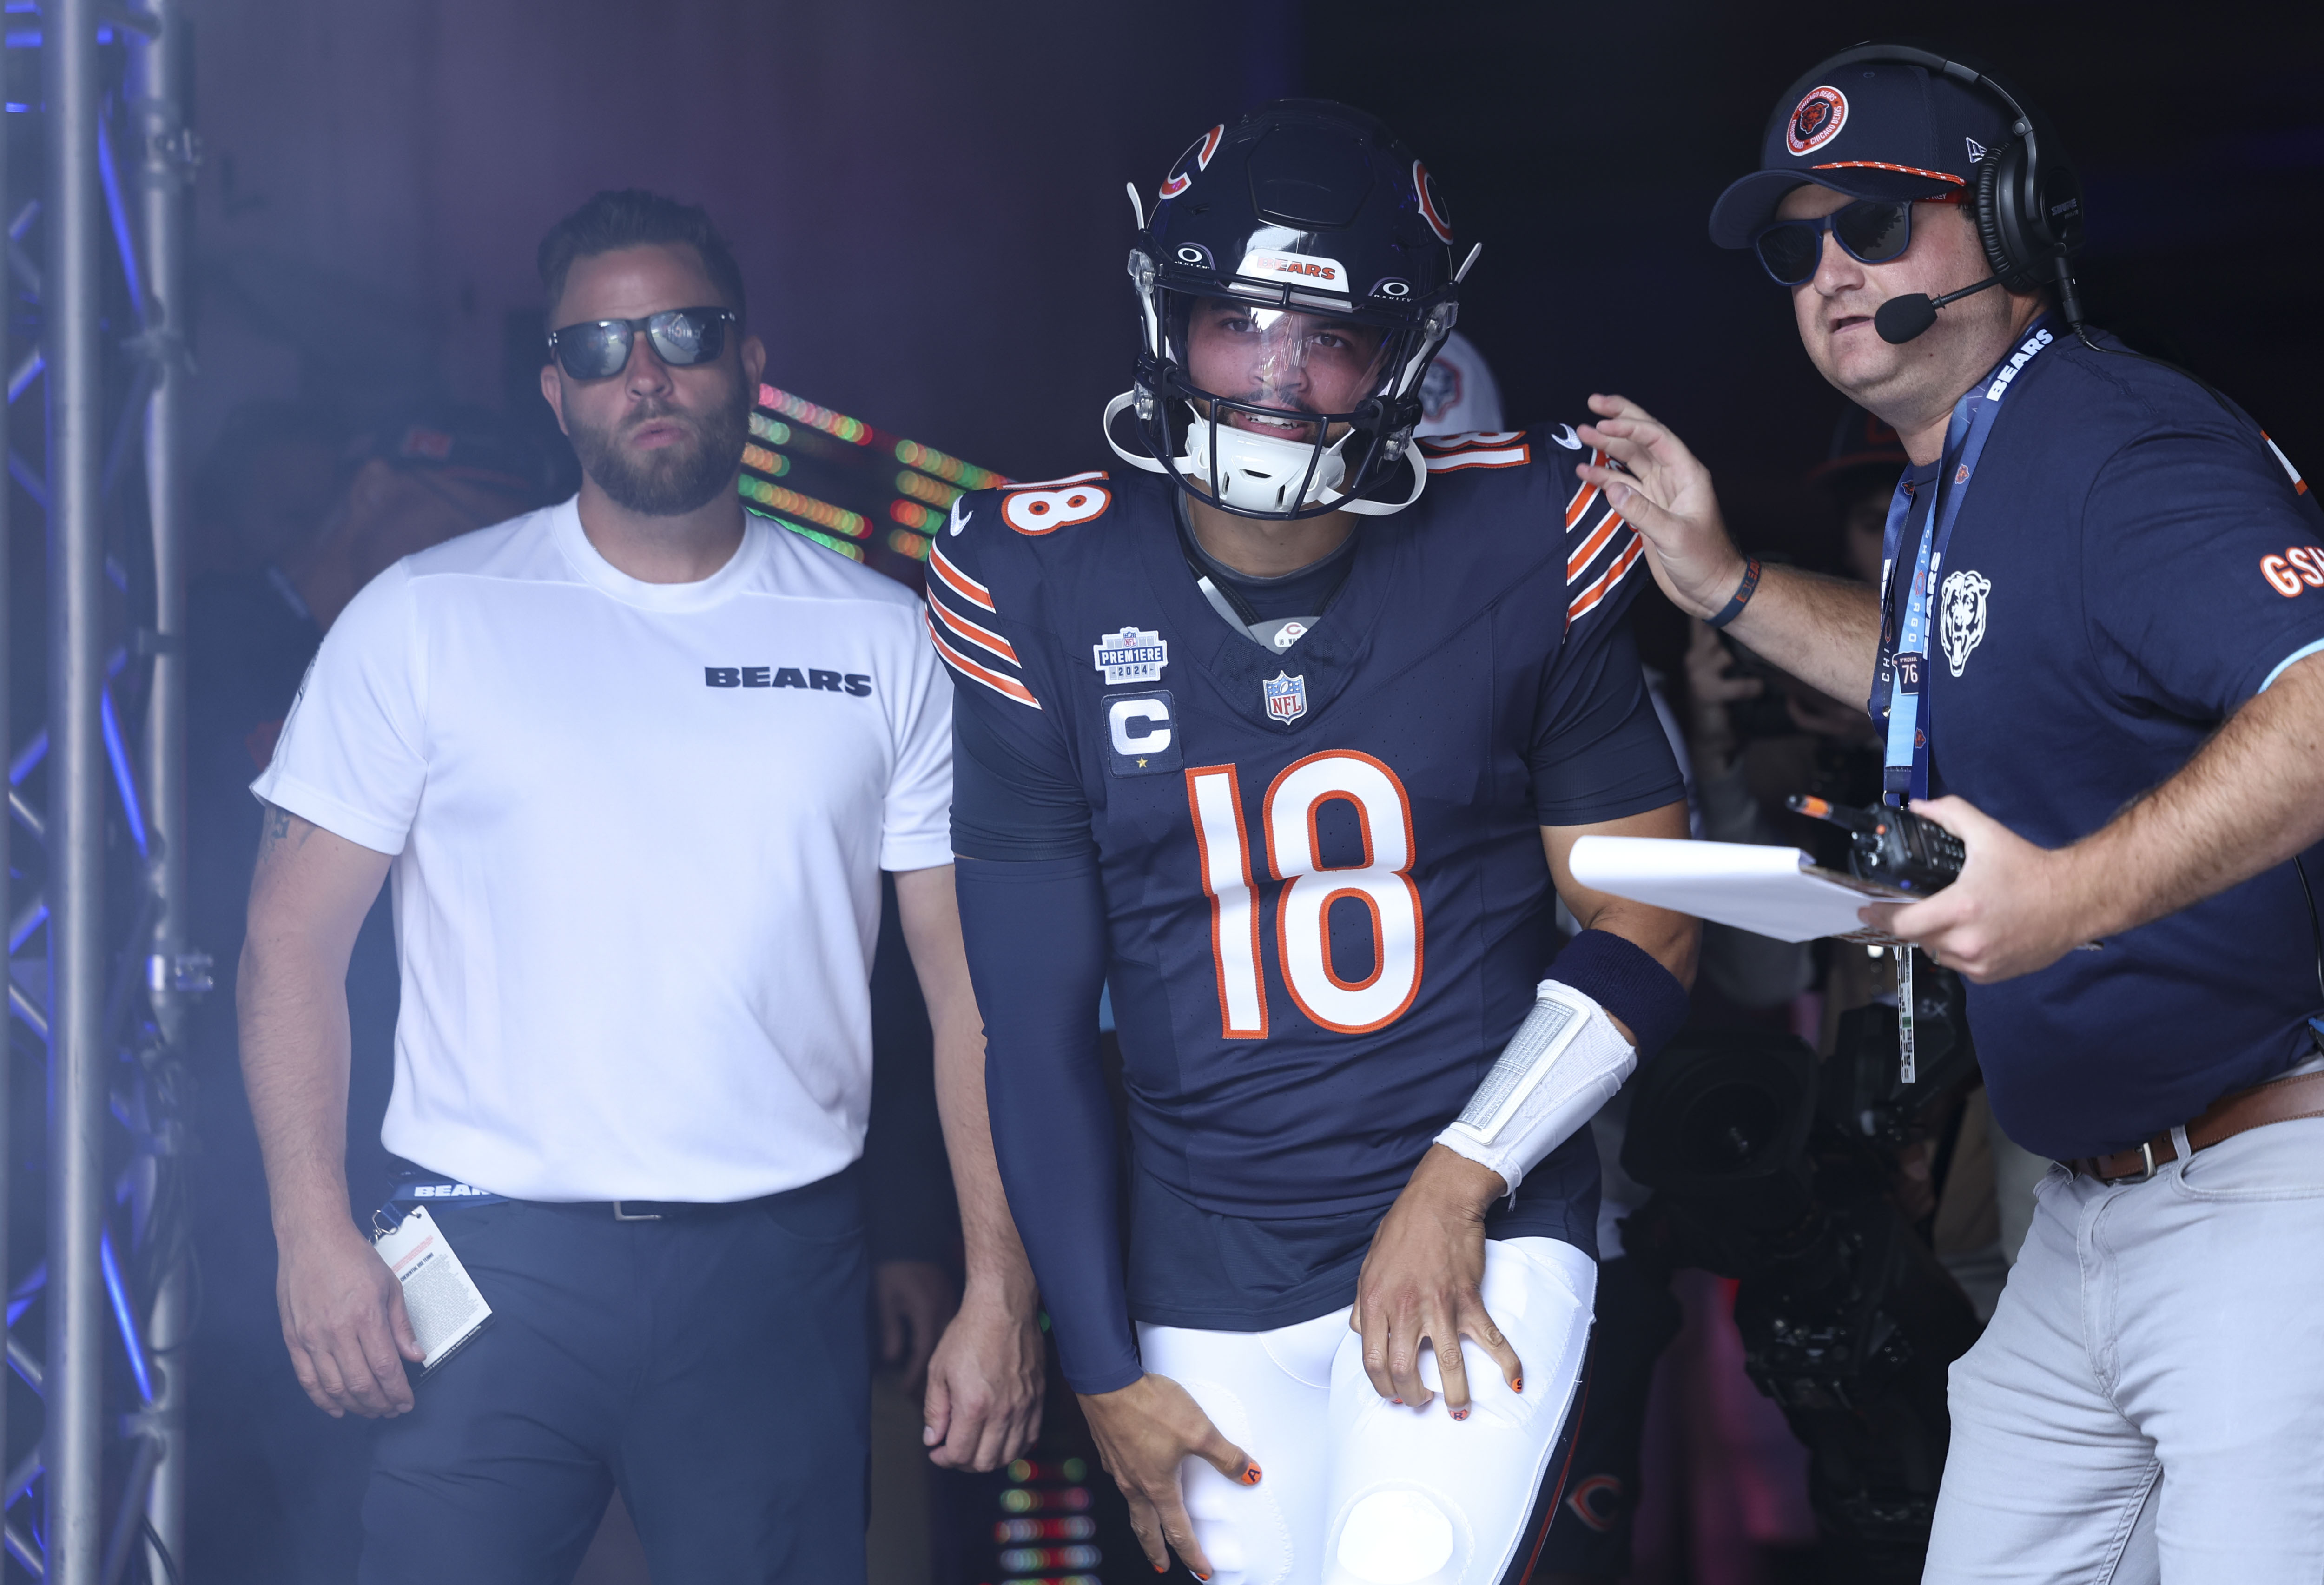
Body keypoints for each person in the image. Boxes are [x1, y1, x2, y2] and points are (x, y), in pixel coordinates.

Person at [937, 102, 1699, 1585]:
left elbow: (1649, 921)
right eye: (1239, 327)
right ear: (1169, 319)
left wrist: (1460, 1174)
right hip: (1205, 1269)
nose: (1280, 380)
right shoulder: (1036, 578)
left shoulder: (1521, 533)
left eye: (1329, 339)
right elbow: (1026, 1031)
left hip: (1473, 1216)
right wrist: (1095, 1361)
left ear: (1405, 362)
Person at [1588, 46, 2324, 1579]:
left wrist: (2065, 893)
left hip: (2261, 1192)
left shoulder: (2121, 444)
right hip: (2086, 1212)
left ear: (2005, 221)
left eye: (1872, 221)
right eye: (1798, 248)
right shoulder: (1957, 474)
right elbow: (1944, 666)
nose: (1831, 273)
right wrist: (1721, 579)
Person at [237, 188, 1043, 1585]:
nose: (645, 373)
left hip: (774, 1269)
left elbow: (971, 983)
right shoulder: (425, 621)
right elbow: (288, 944)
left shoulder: (882, 637)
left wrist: (998, 1282)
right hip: (485, 1261)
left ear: (749, 361)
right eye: (601, 348)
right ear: (555, 392)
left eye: (681, 333)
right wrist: (310, 1234)